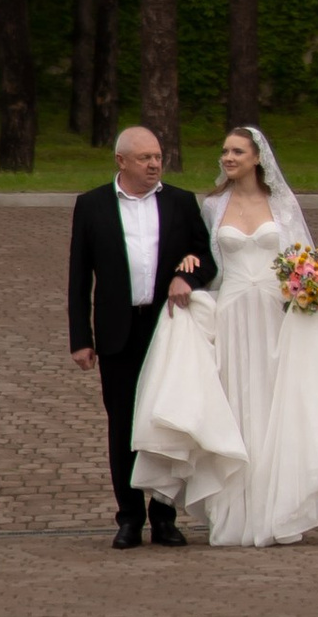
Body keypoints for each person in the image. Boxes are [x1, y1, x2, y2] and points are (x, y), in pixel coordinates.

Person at [133, 126, 318, 546]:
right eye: (225, 151)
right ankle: (234, 510)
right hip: (233, 314)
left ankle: (277, 508)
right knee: (239, 403)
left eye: (237, 151)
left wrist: (309, 285)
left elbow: (301, 257)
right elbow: (202, 255)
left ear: (258, 157)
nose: (228, 157)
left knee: (276, 406)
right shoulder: (214, 206)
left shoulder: (282, 206)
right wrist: (185, 270)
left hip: (274, 315)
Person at [66, 126, 214, 549]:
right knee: (124, 425)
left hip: (167, 327)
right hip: (117, 331)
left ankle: (164, 517)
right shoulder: (92, 206)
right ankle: (129, 517)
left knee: (166, 421)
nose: (154, 164)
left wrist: (187, 275)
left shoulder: (181, 203)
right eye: (145, 157)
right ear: (122, 162)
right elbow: (79, 278)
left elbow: (206, 257)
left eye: (158, 156)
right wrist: (82, 336)